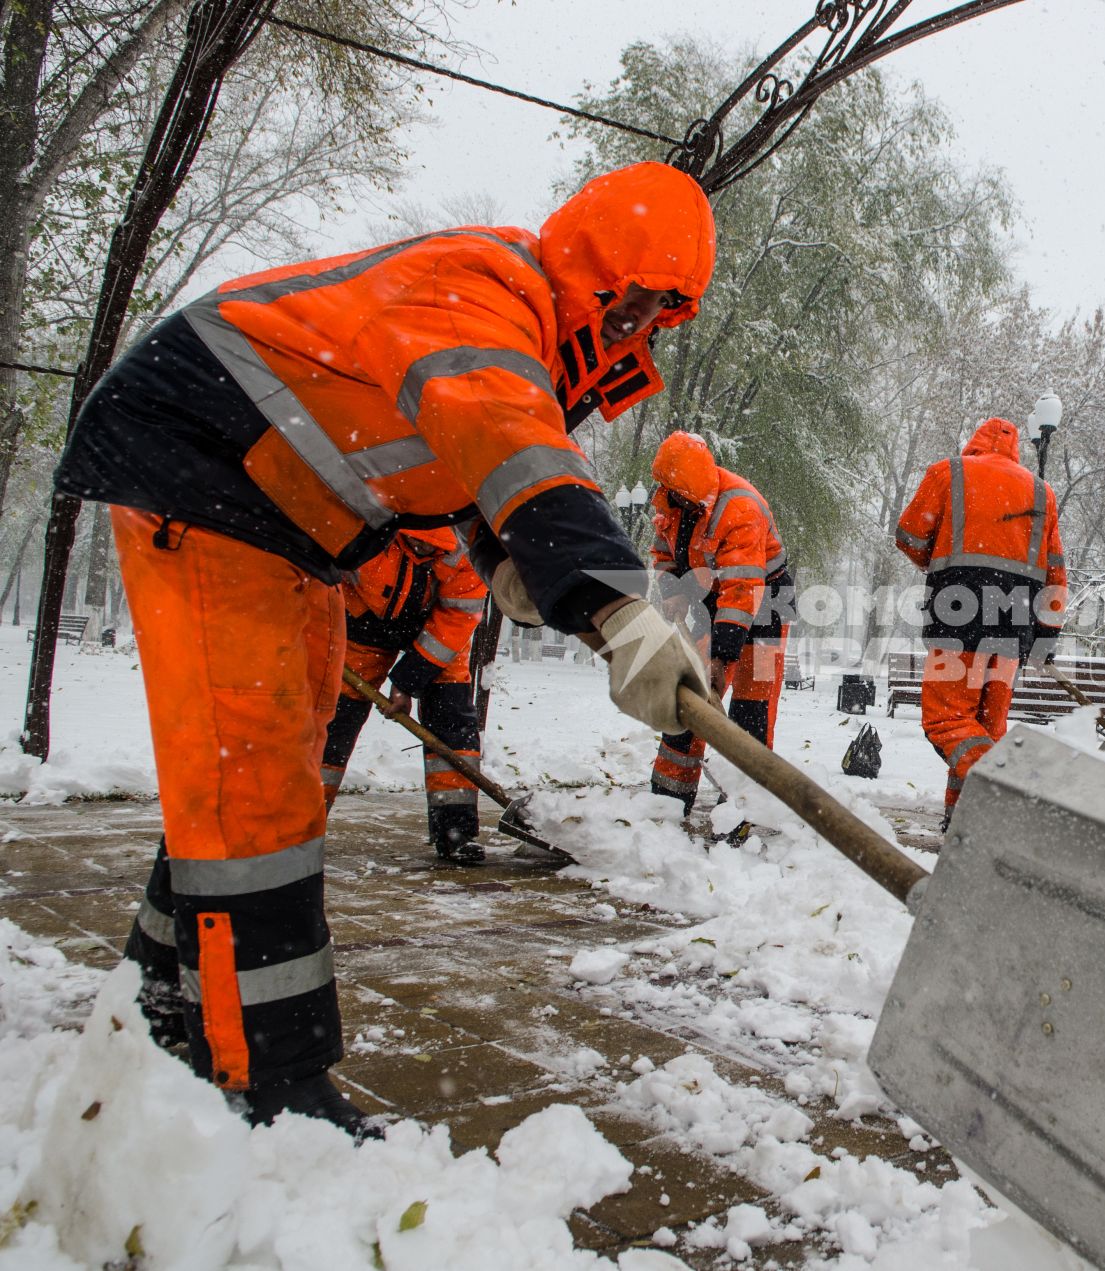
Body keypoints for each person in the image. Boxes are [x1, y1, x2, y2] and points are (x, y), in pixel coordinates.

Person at [53, 161, 713, 1138]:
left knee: (253, 773)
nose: (638, 338)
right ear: (593, 274)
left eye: (657, 324)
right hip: (204, 463)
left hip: (280, 514)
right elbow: (506, 434)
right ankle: (268, 1090)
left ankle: (160, 996)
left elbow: (468, 459)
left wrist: (507, 556)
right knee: (260, 781)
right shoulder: (488, 287)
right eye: (634, 313)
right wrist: (619, 606)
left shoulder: (513, 328)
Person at [894, 416, 1068, 828]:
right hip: (1015, 627)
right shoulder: (1042, 493)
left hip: (959, 617)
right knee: (985, 727)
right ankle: (966, 822)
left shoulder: (949, 472)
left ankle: (1005, 786)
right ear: (1015, 450)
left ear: (975, 443)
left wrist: (941, 563)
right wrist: (1046, 637)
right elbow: (1056, 575)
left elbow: (909, 536)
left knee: (947, 719)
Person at [646, 431, 795, 843]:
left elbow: (743, 589)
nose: (668, 496)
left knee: (751, 709)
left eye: (675, 492)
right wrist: (673, 590)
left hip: (765, 608)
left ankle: (742, 814)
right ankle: (667, 803)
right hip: (714, 605)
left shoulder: (740, 507)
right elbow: (663, 553)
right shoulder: (671, 504)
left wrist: (721, 657)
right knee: (690, 702)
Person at [319, 529, 489, 863]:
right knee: (333, 724)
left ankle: (456, 833)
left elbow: (458, 616)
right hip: (362, 625)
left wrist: (408, 680)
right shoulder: (366, 532)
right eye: (416, 543)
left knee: (453, 724)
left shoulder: (467, 554)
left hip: (438, 632)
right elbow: (322, 573)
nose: (424, 549)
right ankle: (302, 825)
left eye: (433, 548)